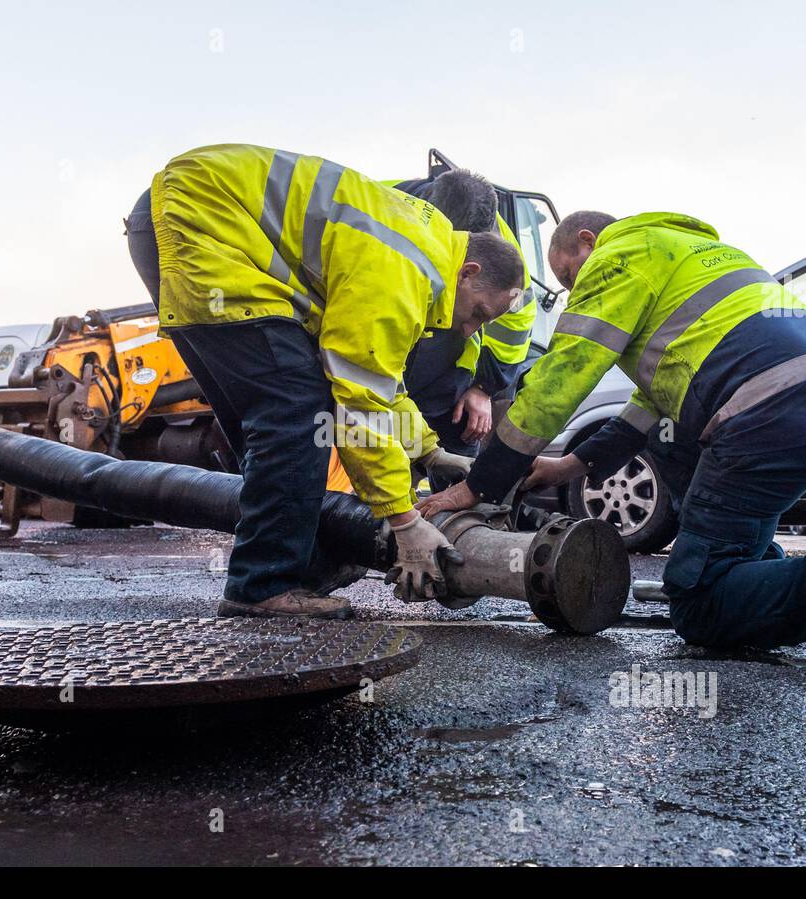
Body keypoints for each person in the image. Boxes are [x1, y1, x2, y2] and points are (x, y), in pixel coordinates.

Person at [421, 209, 806, 671]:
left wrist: (483, 484)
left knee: (698, 602)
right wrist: (570, 466)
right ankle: (762, 575)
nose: (572, 292)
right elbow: (651, 410)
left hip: (770, 406)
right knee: (677, 446)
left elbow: (563, 375)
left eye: (568, 277)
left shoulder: (621, 256)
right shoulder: (696, 254)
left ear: (587, 241)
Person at [127, 144, 525, 619]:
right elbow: (359, 404)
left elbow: (379, 381)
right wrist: (403, 520)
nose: (470, 331)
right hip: (203, 221)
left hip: (178, 216)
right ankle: (261, 588)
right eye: (478, 313)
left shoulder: (419, 246)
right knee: (299, 413)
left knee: (273, 424)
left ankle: (282, 571)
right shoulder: (404, 271)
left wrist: (427, 450)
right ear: (469, 272)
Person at [387, 170, 537, 455]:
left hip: (446, 359)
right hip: (388, 328)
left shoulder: (507, 261)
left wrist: (483, 387)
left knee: (460, 422)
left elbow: (516, 327)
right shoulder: (387, 208)